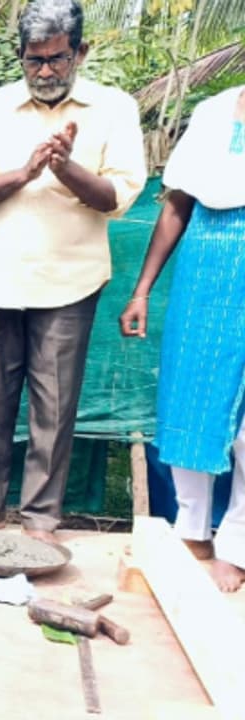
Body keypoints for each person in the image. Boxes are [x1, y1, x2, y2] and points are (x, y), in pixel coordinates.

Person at [0, 0, 146, 543]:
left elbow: (119, 198)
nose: (46, 72)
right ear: (21, 56)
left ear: (80, 51)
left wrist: (66, 167)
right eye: (35, 61)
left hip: (70, 283)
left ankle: (40, 520)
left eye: (57, 59)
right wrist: (25, 172)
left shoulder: (113, 108)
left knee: (54, 409)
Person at [120, 86, 245, 592]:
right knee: (194, 398)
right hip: (207, 274)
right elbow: (177, 205)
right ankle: (192, 531)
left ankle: (237, 542)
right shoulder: (213, 113)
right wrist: (143, 289)